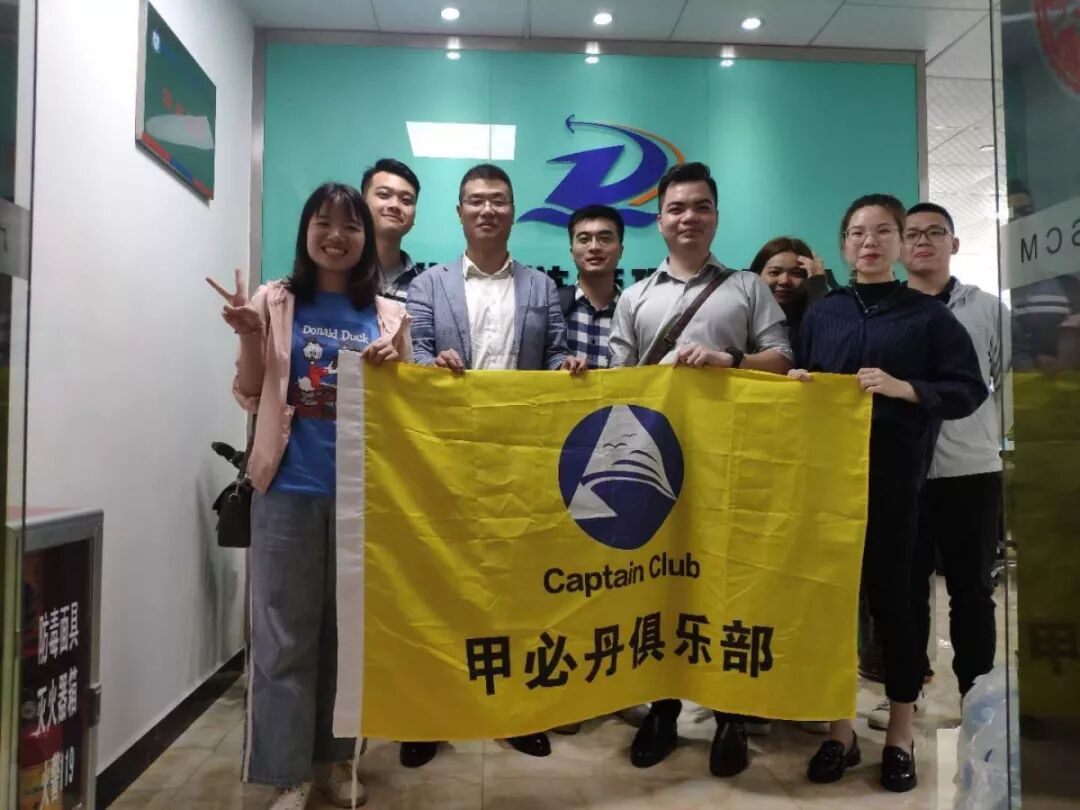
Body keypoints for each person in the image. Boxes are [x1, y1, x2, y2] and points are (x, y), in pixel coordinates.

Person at [207, 182, 411, 810]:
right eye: (324, 223)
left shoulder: (390, 314)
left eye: (351, 227)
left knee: (347, 641)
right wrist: (249, 333)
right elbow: (249, 392)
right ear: (306, 230)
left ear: (365, 239)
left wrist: (399, 369)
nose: (336, 236)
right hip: (288, 492)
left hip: (362, 499)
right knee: (283, 638)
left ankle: (336, 763)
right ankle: (287, 774)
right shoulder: (275, 301)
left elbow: (409, 411)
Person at [790, 193, 987, 793]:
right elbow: (802, 381)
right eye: (857, 233)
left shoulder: (928, 317)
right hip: (828, 486)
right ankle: (840, 730)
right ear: (844, 245)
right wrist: (799, 383)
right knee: (830, 607)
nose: (869, 242)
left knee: (896, 607)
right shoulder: (822, 313)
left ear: (900, 243)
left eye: (882, 232)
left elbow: (968, 390)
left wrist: (907, 389)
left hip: (897, 486)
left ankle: (901, 731)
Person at [609, 162, 792, 779]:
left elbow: (782, 360)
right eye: (677, 207)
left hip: (731, 464)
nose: (688, 217)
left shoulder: (747, 288)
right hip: (655, 468)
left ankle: (730, 714)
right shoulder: (635, 297)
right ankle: (662, 709)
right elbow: (617, 384)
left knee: (727, 585)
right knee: (656, 583)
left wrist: (728, 360)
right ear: (659, 219)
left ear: (716, 216)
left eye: (700, 206)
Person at [402, 164, 584, 768]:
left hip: (519, 461)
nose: (487, 210)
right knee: (439, 584)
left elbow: (554, 352)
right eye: (475, 201)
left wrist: (564, 368)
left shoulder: (541, 287)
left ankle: (517, 712)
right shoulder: (428, 284)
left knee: (516, 584)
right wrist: (431, 367)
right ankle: (429, 714)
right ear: (459, 212)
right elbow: (414, 352)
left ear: (513, 210)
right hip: (445, 458)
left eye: (498, 201)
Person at [895, 202, 1009, 712]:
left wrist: (989, 432)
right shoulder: (890, 310)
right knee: (905, 589)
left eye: (935, 232)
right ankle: (906, 692)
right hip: (902, 472)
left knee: (972, 590)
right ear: (900, 247)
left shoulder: (985, 308)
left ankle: (975, 695)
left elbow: (1011, 374)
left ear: (954, 244)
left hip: (971, 471)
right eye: (913, 233)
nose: (923, 241)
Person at [558, 204, 624, 369]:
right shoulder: (553, 306)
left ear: (621, 250)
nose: (594, 247)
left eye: (605, 238)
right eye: (584, 239)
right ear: (571, 251)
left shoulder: (633, 309)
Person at [361, 158, 422, 304]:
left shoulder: (426, 285)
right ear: (361, 202)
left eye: (406, 200)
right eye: (384, 195)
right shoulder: (338, 275)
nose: (395, 205)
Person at [748, 236, 828, 348]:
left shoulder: (818, 318)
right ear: (757, 274)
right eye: (774, 272)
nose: (784, 281)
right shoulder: (741, 317)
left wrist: (818, 287)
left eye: (796, 273)